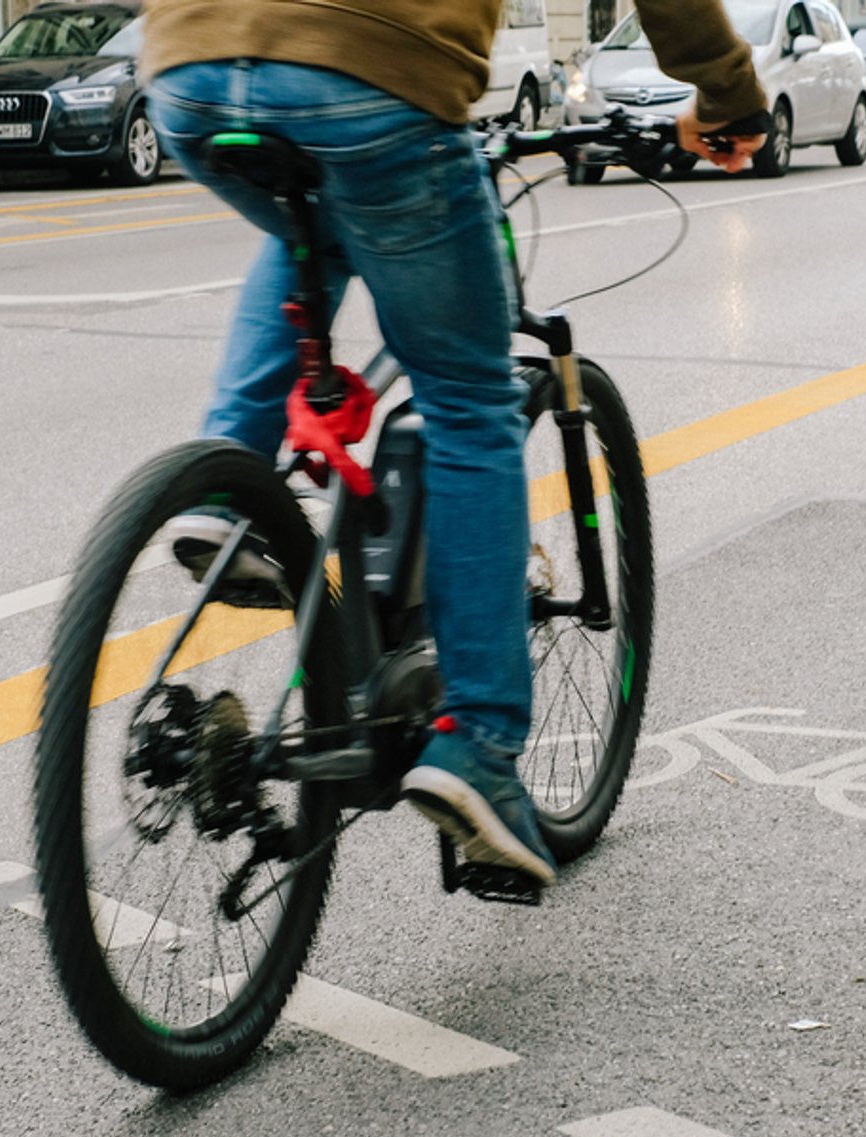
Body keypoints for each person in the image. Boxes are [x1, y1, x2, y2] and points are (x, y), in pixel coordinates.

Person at [142, 0, 767, 886]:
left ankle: (228, 499)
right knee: (471, 399)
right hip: (371, 76)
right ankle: (477, 745)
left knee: (310, 236)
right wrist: (728, 96)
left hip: (190, 67)